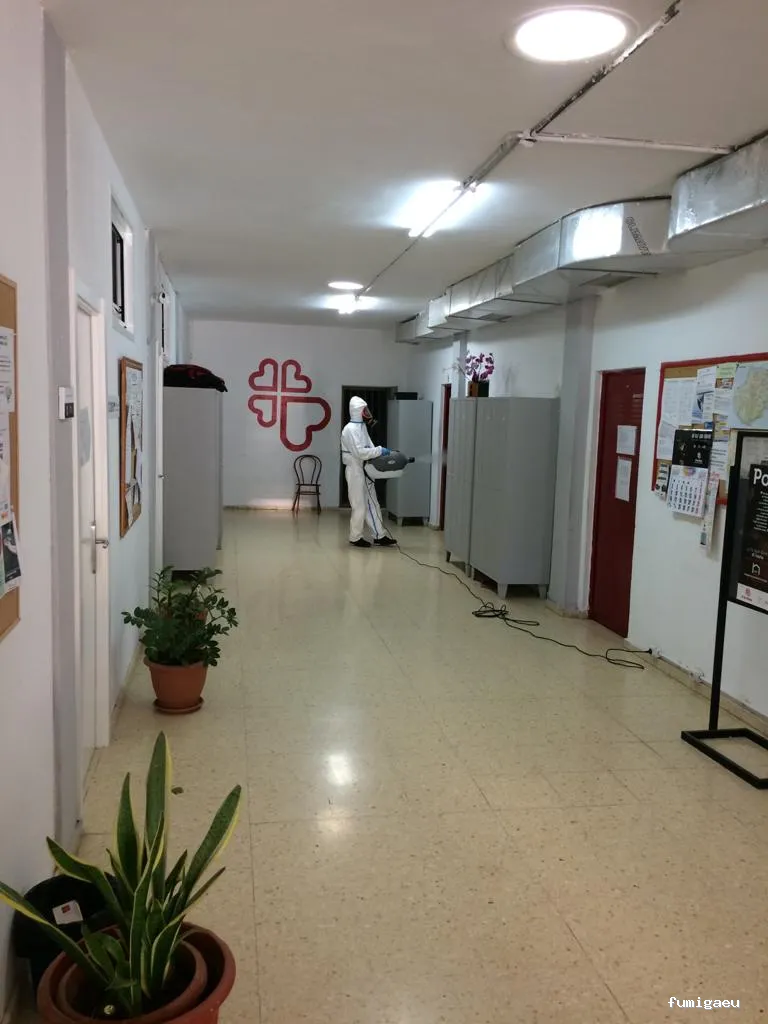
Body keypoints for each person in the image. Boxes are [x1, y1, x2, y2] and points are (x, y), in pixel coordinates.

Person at [340, 396, 397, 548]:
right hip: (354, 470)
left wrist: (380, 454)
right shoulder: (349, 429)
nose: (367, 412)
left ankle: (379, 535)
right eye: (364, 410)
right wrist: (379, 450)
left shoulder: (362, 427)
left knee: (373, 503)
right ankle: (355, 537)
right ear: (357, 411)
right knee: (359, 505)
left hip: (365, 468)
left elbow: (369, 447)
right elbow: (359, 452)